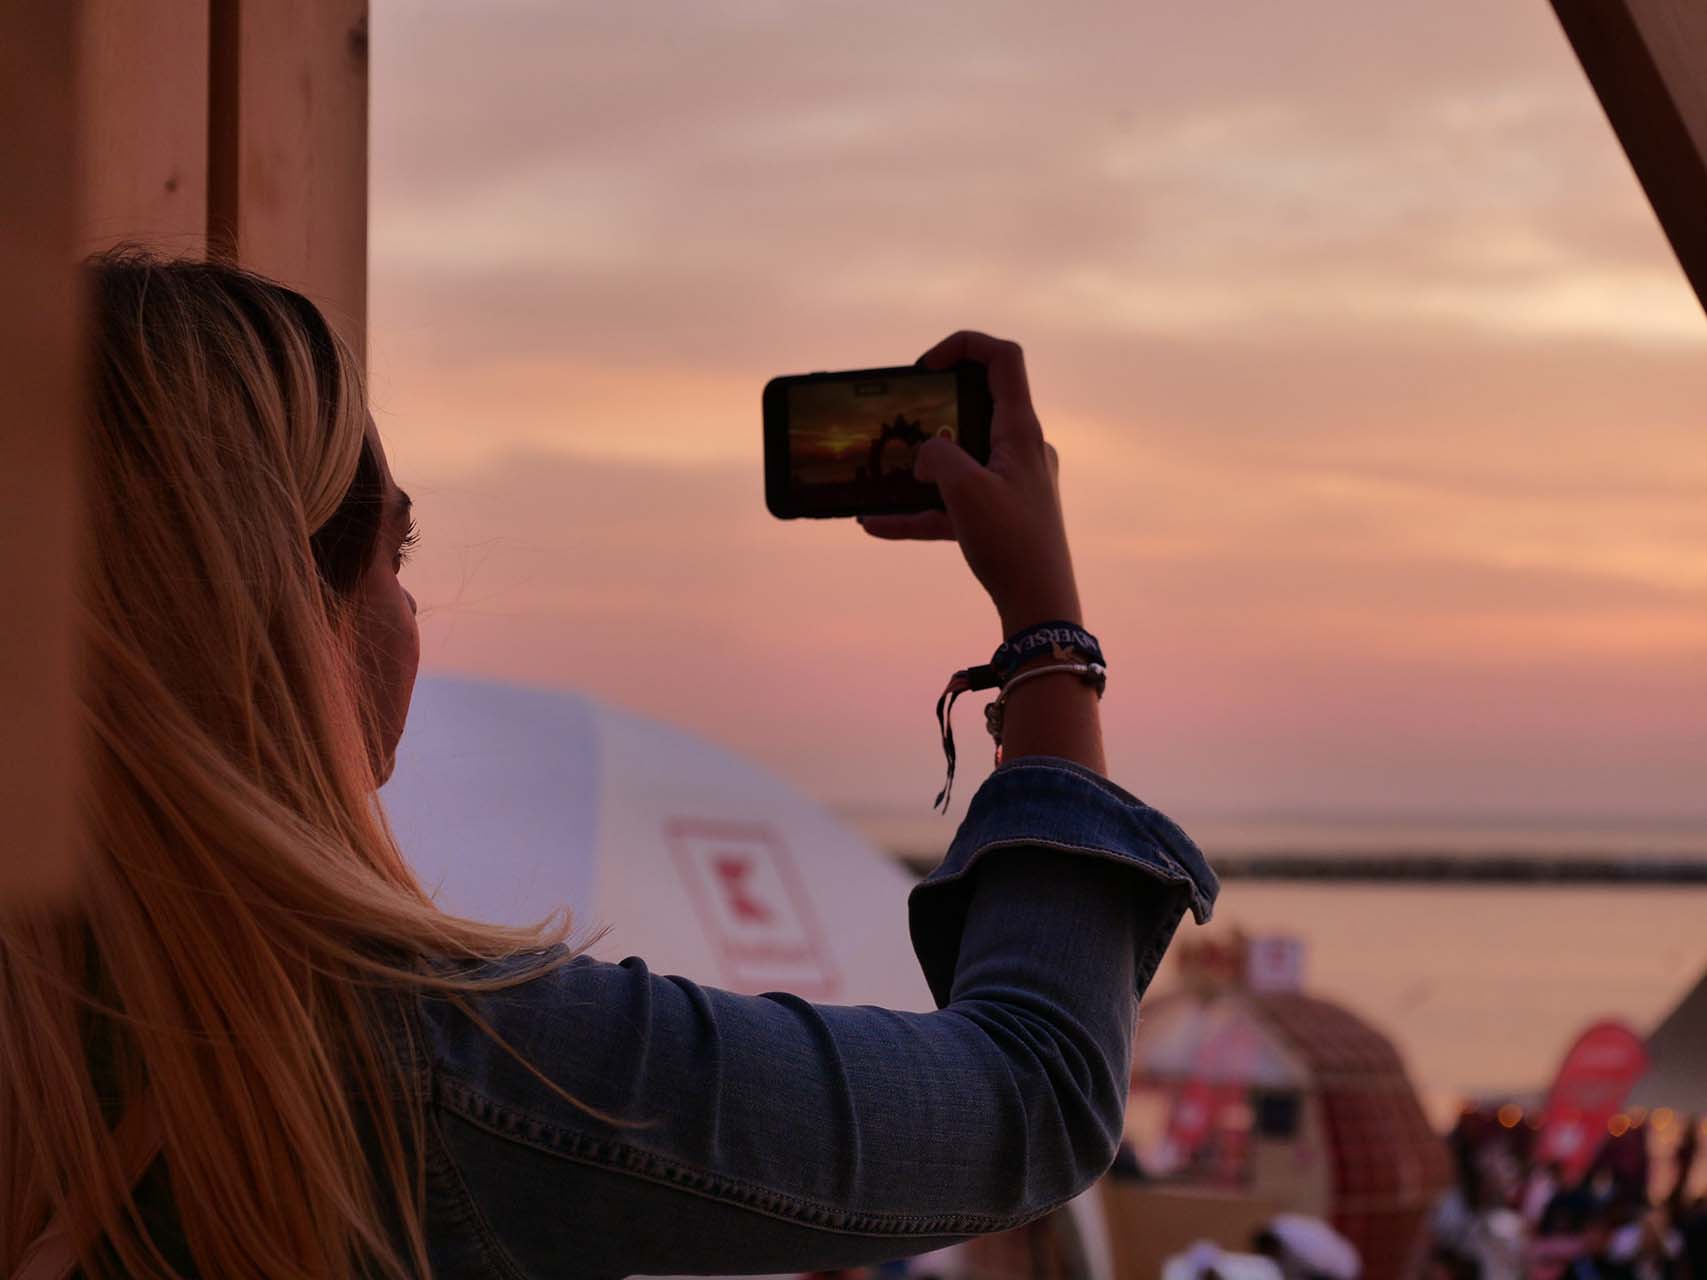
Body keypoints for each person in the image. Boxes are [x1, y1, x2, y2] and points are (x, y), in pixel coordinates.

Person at [0, 251, 1217, 1278]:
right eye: (395, 558)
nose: (409, 614)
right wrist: (1048, 633)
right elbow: (1031, 1097)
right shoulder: (442, 1061)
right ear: (286, 618)